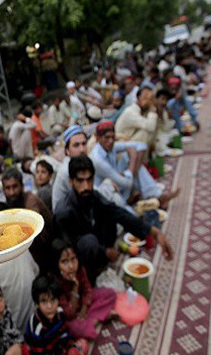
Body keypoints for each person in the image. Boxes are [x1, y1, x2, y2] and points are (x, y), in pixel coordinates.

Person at [53, 155, 174, 283]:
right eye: (80, 181)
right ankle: (91, 278)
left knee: (109, 213)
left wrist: (154, 232)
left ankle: (102, 258)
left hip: (92, 243)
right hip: (73, 258)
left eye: (89, 180)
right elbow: (68, 248)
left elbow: (118, 213)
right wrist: (105, 252)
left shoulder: (92, 195)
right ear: (71, 181)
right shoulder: (64, 212)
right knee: (90, 242)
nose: (86, 186)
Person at [90, 121, 180, 209]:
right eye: (107, 137)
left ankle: (154, 196)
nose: (110, 141)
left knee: (129, 156)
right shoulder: (98, 160)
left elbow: (141, 145)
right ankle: (152, 197)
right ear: (98, 138)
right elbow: (127, 184)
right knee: (130, 157)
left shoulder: (111, 147)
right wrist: (133, 160)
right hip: (105, 193)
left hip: (116, 181)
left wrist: (135, 164)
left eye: (113, 137)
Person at [52, 239, 117, 341]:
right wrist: (75, 287)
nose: (71, 266)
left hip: (83, 305)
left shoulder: (80, 270)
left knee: (110, 293)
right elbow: (69, 314)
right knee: (77, 329)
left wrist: (84, 308)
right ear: (56, 264)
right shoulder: (55, 283)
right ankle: (97, 319)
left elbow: (88, 289)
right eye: (64, 262)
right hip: (70, 317)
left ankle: (91, 319)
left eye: (73, 259)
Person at [1, 167, 53, 273]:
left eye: (15, 187)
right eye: (8, 188)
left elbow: (31, 225)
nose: (11, 192)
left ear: (22, 186)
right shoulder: (12, 203)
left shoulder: (30, 200)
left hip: (45, 248)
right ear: (3, 190)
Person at [24, 275, 89, 355]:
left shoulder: (60, 313)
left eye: (53, 300)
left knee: (83, 344)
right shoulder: (37, 327)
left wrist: (71, 346)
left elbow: (63, 335)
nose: (50, 306)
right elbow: (37, 351)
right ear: (37, 304)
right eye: (44, 301)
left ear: (58, 300)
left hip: (56, 347)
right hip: (41, 351)